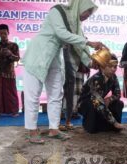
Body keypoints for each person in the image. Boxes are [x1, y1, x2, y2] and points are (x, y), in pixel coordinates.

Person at [22, 0, 104, 143]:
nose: (87, 16)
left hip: (54, 56)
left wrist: (91, 62)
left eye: (90, 14)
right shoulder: (58, 11)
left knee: (56, 93)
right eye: (87, 12)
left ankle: (54, 129)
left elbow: (79, 46)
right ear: (80, 6)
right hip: (38, 53)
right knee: (33, 95)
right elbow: (61, 33)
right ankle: (32, 130)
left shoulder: (76, 26)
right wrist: (89, 42)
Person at [78, 54, 124, 134]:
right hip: (86, 103)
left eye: (115, 67)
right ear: (102, 67)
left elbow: (117, 94)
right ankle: (91, 125)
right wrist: (114, 122)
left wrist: (110, 99)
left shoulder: (113, 77)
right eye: (110, 66)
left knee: (118, 103)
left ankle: (112, 127)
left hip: (98, 101)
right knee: (93, 105)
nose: (114, 69)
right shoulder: (96, 79)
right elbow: (97, 102)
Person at [0, 24, 20, 117]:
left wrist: (10, 54)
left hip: (9, 73)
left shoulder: (14, 45)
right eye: (1, 33)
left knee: (11, 92)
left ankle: (14, 111)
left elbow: (17, 58)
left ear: (8, 33)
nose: (3, 35)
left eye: (5, 33)